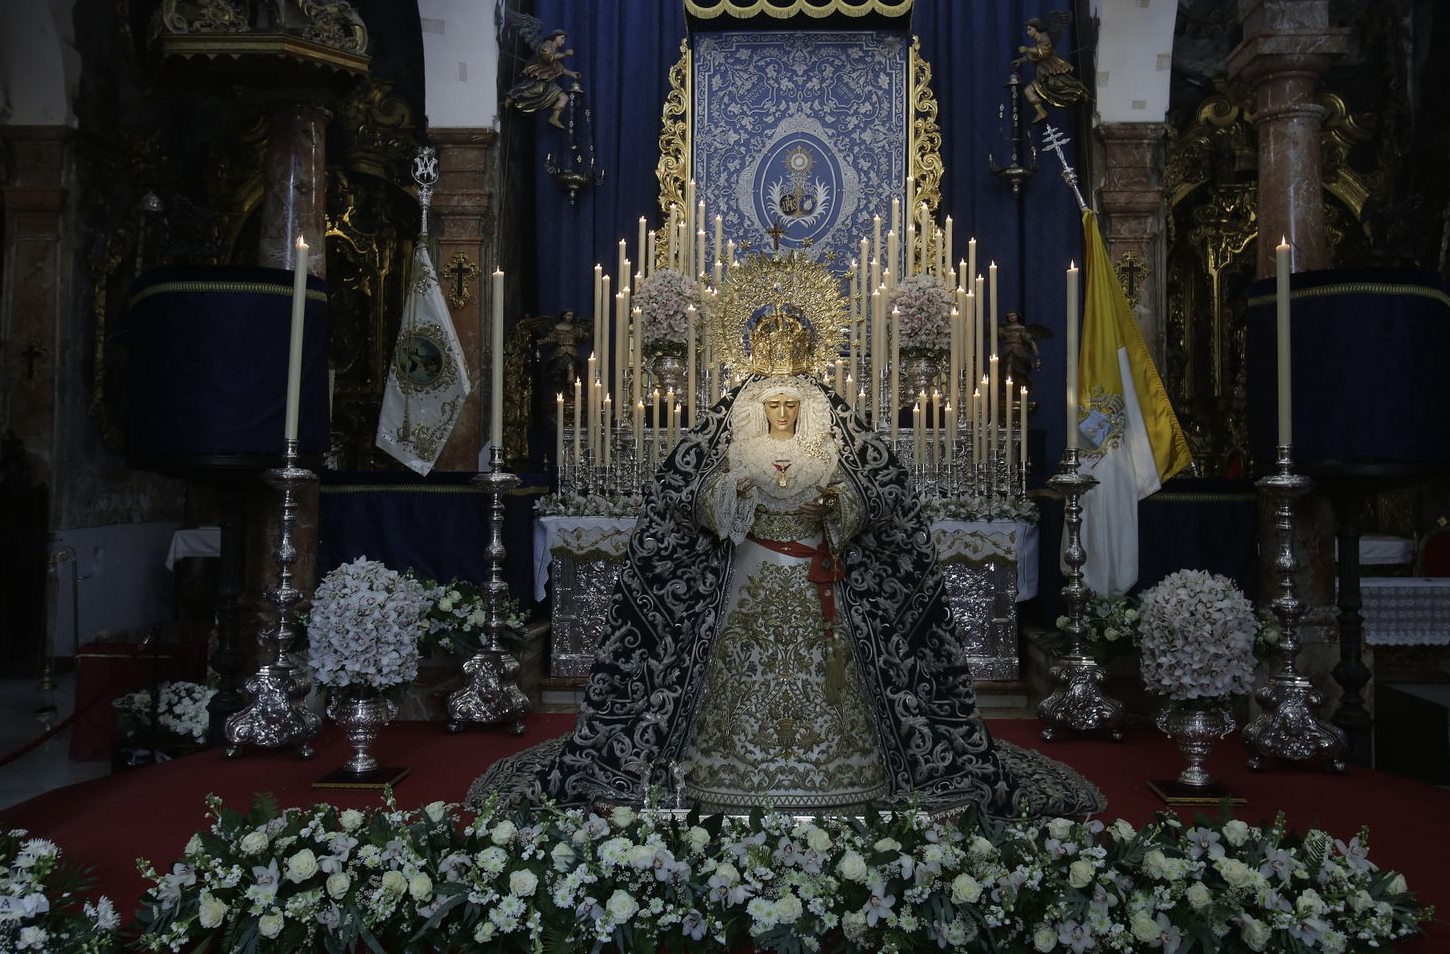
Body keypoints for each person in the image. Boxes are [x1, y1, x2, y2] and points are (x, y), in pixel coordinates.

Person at [469, 315, 1104, 819]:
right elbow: (677, 495)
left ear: (804, 405)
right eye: (772, 404)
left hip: (818, 580)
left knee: (838, 667)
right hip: (744, 579)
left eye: (789, 405)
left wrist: (842, 504)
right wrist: (726, 495)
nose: (781, 413)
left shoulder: (833, 438)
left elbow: (885, 494)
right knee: (727, 662)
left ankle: (845, 774)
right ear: (758, 405)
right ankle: (719, 772)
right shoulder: (730, 438)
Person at [1013, 15, 1090, 122]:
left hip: (1051, 71)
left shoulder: (1044, 38)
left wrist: (1027, 49)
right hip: (1043, 74)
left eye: (1029, 29)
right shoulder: (1036, 41)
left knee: (1061, 85)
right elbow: (1033, 55)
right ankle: (1041, 112)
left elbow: (1044, 52)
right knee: (1028, 91)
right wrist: (1020, 60)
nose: (1028, 32)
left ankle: (1081, 93)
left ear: (1036, 28)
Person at [506, 30, 578, 128]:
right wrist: (564, 54)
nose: (563, 42)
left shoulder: (555, 50)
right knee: (534, 90)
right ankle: (511, 96)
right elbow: (547, 57)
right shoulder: (547, 44)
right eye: (562, 38)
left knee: (564, 98)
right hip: (539, 76)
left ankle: (554, 118)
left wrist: (571, 73)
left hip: (548, 81)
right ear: (555, 37)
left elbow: (558, 67)